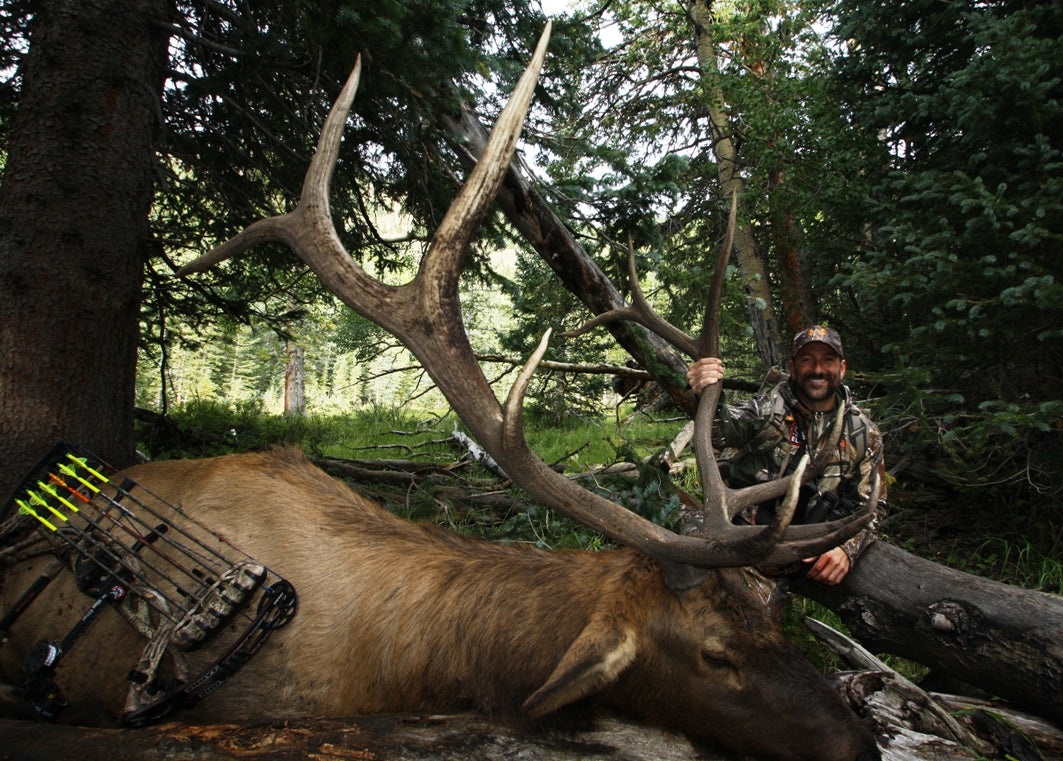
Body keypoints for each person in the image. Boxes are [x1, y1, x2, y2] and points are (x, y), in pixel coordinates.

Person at [686, 325, 886, 586]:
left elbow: (872, 508)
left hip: (811, 552)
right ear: (793, 368)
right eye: (807, 360)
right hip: (744, 545)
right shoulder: (766, 410)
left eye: (828, 360)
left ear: (843, 368)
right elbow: (721, 432)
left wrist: (847, 549)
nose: (817, 369)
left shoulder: (863, 434)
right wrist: (704, 392)